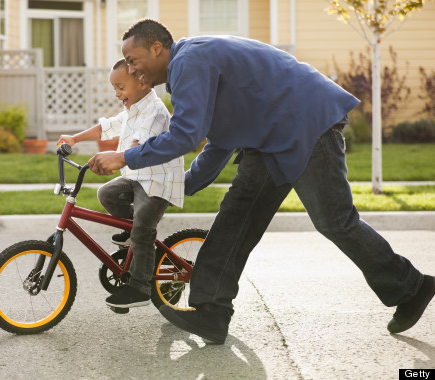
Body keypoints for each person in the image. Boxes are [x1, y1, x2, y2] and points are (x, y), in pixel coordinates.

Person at [87, 19, 434, 343]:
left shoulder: (189, 61)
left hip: (305, 123)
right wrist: (177, 187)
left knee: (335, 221)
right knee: (236, 216)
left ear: (157, 49)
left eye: (133, 60)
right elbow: (219, 143)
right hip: (269, 138)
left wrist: (124, 157)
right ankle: (212, 310)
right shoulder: (188, 68)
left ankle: (412, 288)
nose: (131, 70)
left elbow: (185, 135)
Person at [58, 58, 184, 309]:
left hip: (158, 181)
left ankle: (139, 287)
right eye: (114, 87)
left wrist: (117, 160)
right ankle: (135, 237)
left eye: (120, 87)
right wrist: (74, 138)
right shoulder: (133, 109)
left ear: (143, 83)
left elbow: (139, 146)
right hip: (138, 177)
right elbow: (109, 126)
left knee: (143, 228)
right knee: (107, 193)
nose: (116, 93)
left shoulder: (155, 112)